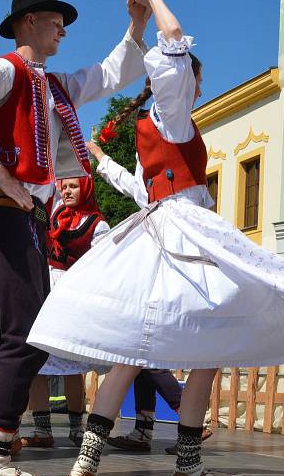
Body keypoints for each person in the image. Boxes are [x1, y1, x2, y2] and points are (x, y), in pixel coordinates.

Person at [27, 0, 284, 476]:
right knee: (207, 347)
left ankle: (87, 464)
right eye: (197, 78)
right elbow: (173, 38)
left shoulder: (154, 126)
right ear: (180, 81)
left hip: (158, 228)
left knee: (134, 350)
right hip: (184, 233)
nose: (200, 85)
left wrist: (103, 165)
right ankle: (188, 464)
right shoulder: (174, 116)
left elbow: (141, 189)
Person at [0, 0, 150, 476]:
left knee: (24, 330)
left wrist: (137, 26)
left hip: (22, 216)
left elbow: (108, 75)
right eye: (56, 21)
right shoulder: (4, 69)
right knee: (30, 330)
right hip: (1, 211)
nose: (64, 30)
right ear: (29, 21)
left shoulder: (51, 86)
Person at [85, 139, 213, 455]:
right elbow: (130, 183)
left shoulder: (172, 192)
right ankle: (144, 429)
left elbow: (132, 183)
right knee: (138, 354)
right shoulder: (156, 189)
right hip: (158, 268)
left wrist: (101, 157)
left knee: (140, 349)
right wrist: (101, 156)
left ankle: (182, 410)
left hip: (165, 272)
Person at [20, 176, 109, 450]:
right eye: (65, 186)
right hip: (42, 286)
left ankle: (75, 428)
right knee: (37, 360)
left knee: (73, 365)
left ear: (86, 189)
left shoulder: (97, 224)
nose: (67, 190)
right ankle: (41, 428)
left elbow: (102, 264)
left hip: (71, 291)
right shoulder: (53, 213)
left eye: (74, 186)